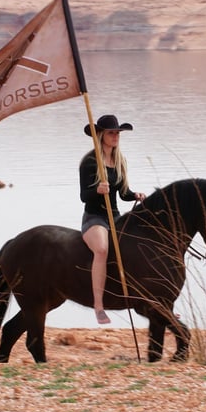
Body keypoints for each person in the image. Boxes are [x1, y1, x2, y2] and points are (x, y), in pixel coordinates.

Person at [79, 114, 146, 324]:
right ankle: (98, 306)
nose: (116, 136)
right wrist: (97, 190)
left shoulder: (119, 160)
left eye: (118, 133)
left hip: (114, 217)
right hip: (94, 216)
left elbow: (123, 192)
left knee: (137, 246)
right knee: (102, 249)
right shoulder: (90, 162)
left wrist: (135, 195)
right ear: (101, 135)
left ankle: (148, 300)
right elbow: (83, 196)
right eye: (111, 133)